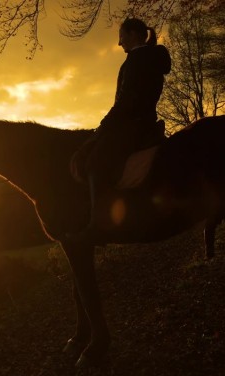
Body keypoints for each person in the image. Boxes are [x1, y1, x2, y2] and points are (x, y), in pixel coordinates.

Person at [68, 17, 171, 242]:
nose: (119, 43)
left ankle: (98, 225)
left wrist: (106, 124)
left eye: (121, 36)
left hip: (132, 122)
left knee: (96, 163)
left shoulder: (137, 59)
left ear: (133, 35)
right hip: (142, 119)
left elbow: (127, 99)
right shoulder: (148, 58)